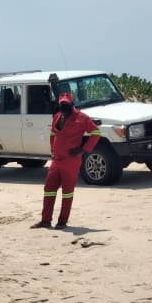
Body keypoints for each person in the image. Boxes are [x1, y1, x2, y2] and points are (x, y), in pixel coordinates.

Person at [31, 92, 102, 230]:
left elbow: (96, 132)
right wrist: (53, 149)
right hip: (56, 160)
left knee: (67, 192)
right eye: (61, 104)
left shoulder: (82, 117)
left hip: (71, 162)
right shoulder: (57, 116)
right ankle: (45, 220)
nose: (63, 106)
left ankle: (62, 222)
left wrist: (82, 150)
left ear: (72, 104)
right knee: (49, 190)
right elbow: (53, 133)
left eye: (66, 104)